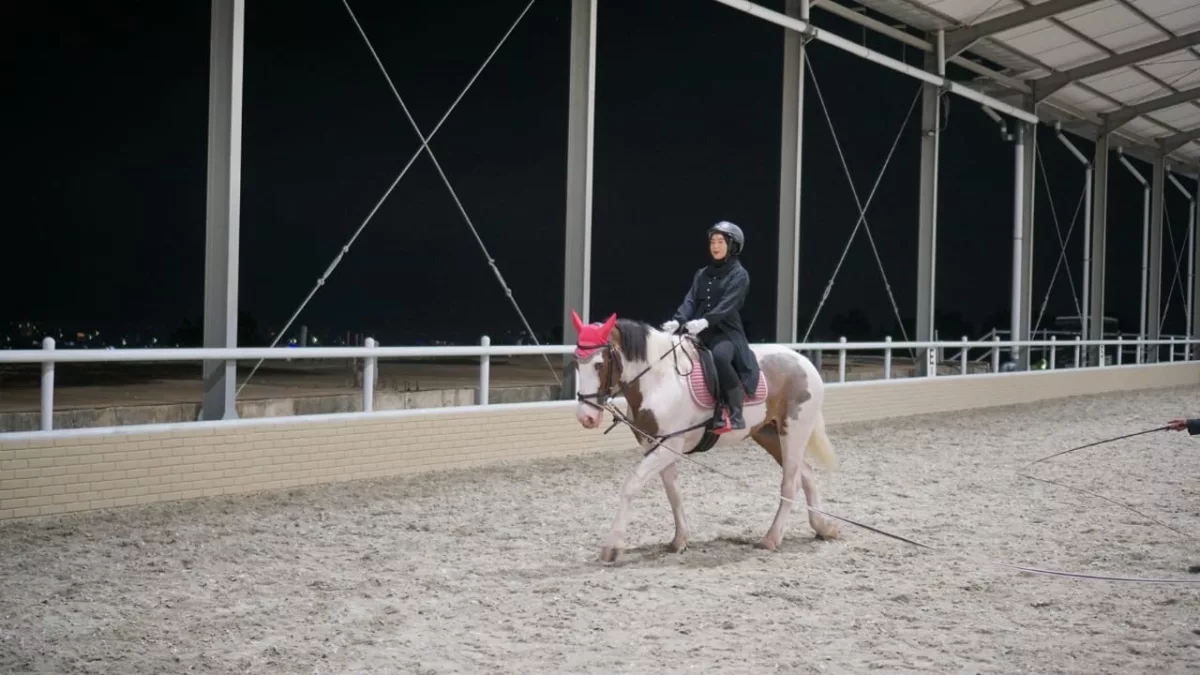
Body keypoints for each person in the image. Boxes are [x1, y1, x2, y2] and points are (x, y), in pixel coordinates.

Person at [661, 221, 760, 431]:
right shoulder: (702, 273)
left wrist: (706, 320)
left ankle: (735, 412)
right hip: (697, 329)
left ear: (732, 246)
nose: (715, 246)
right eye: (713, 242)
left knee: (721, 358)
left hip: (725, 332)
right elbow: (690, 300)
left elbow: (727, 305)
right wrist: (678, 320)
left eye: (720, 242)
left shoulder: (739, 275)